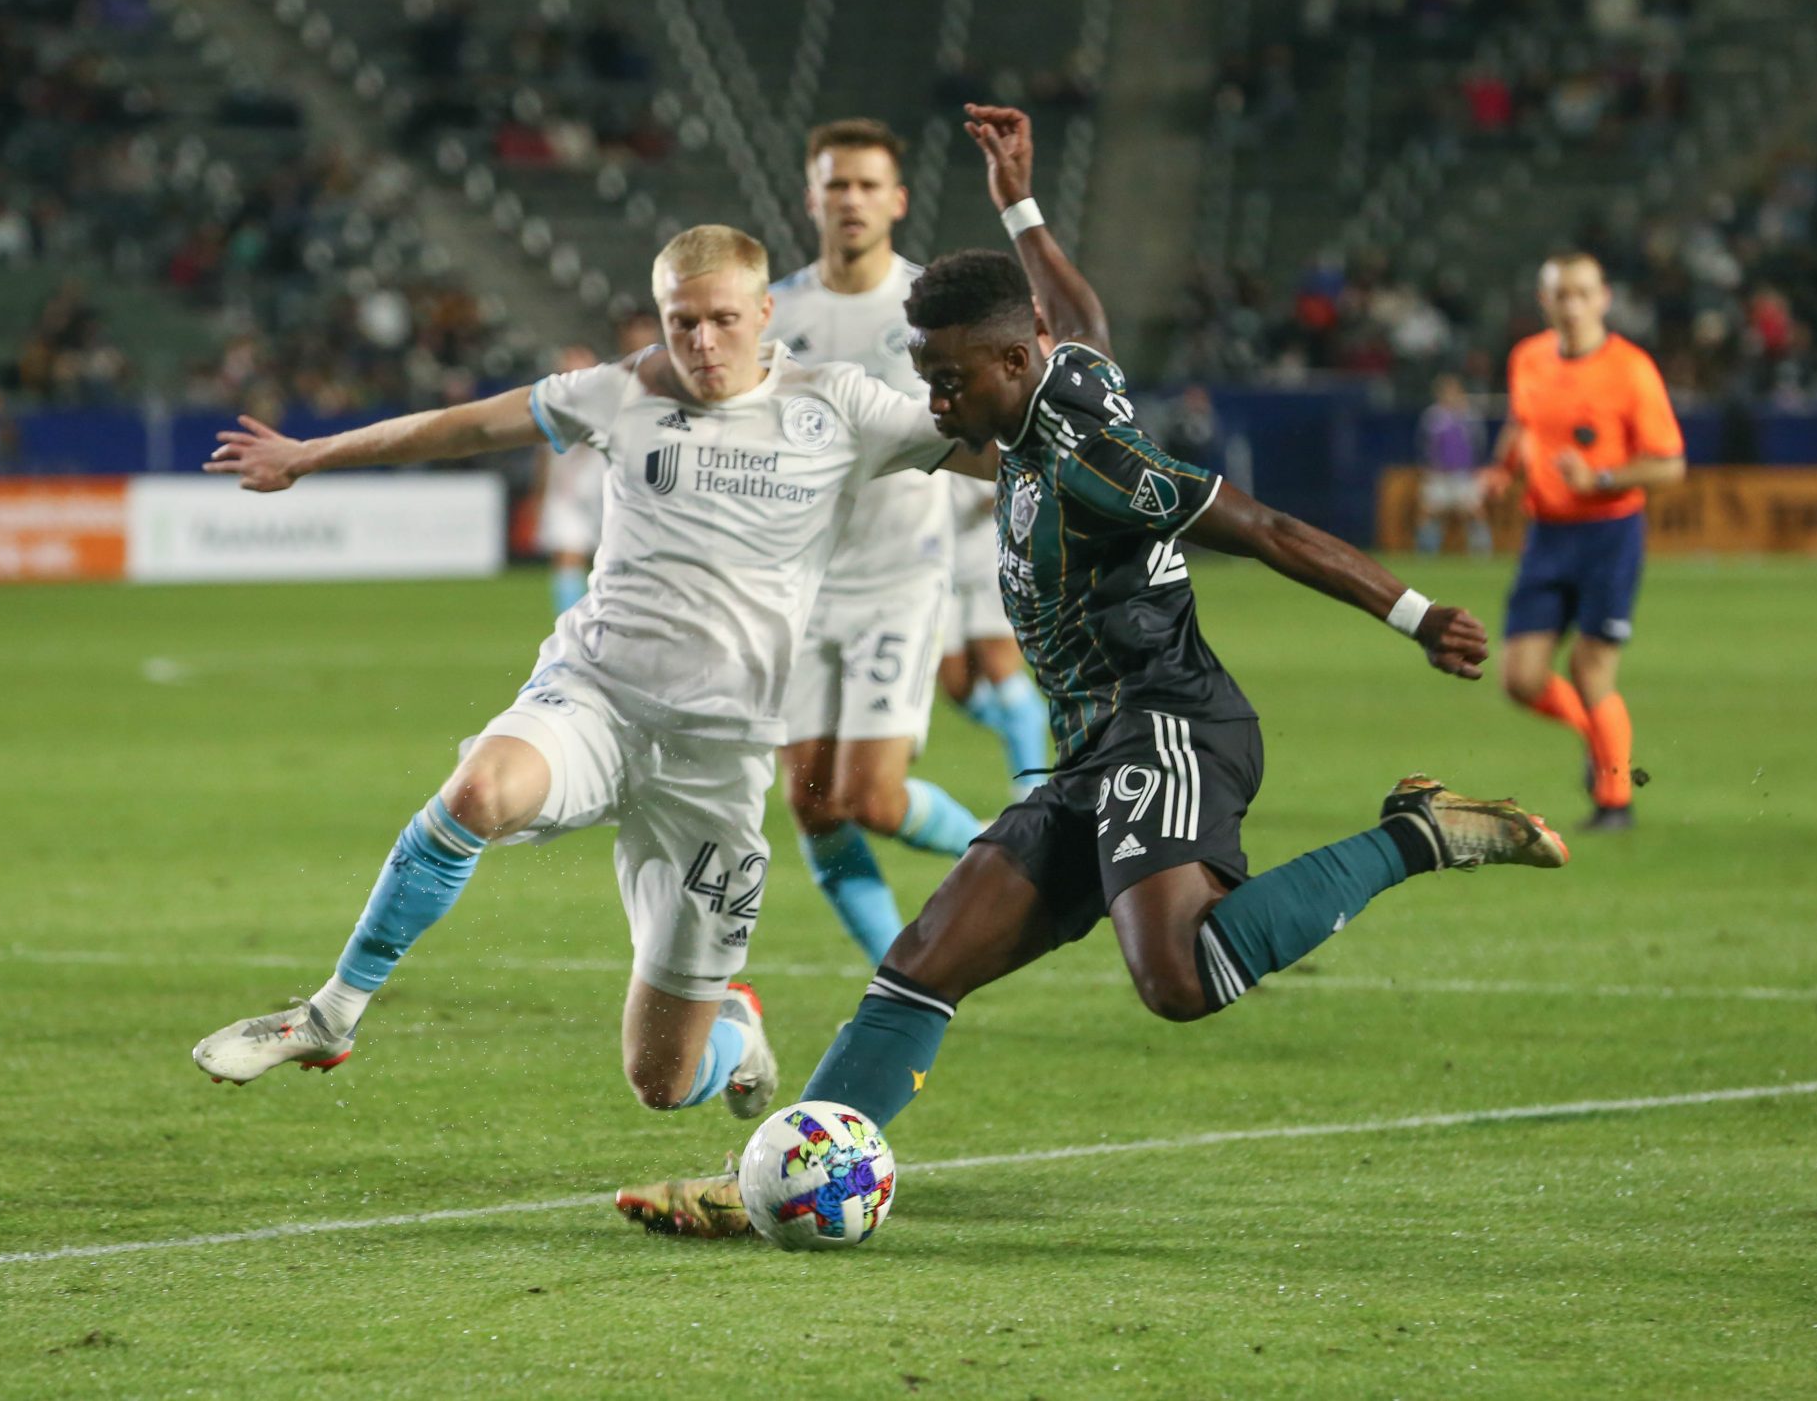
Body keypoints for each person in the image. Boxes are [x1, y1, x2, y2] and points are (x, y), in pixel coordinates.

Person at [615, 107, 1565, 1238]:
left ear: (1013, 364)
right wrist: (1019, 203)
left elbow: (1260, 526)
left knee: (1178, 978)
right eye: (927, 376)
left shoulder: (1097, 463)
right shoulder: (1056, 385)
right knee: (924, 960)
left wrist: (1413, 613)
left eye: (951, 378)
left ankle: (1418, 832)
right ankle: (772, 1176)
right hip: (1090, 747)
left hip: (1169, 722)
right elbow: (1080, 318)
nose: (934, 402)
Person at [187, 224, 1000, 1131]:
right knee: (477, 791)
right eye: (679, 320)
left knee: (662, 1079)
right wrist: (310, 455)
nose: (699, 342)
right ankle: (330, 1013)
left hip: (717, 761)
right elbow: (463, 426)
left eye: (721, 320)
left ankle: (735, 1028)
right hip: (595, 698)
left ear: (765, 313)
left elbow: (998, 448)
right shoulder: (619, 391)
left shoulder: (842, 405)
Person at [766, 118, 996, 965]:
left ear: (896, 201)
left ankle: (1020, 862)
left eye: (867, 185)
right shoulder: (774, 312)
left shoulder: (930, 310)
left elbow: (981, 423)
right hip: (796, 586)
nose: (851, 199)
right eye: (836, 184)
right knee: (814, 801)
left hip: (901, 578)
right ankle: (892, 971)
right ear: (812, 197)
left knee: (873, 796)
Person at [1479, 253, 1686, 832]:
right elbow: (1522, 424)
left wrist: (1600, 479)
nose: (1572, 305)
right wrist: (1501, 472)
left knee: (1592, 668)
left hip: (1609, 534)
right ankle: (1598, 743)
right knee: (1521, 678)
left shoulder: (1631, 370)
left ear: (1604, 298)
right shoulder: (1528, 359)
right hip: (1547, 534)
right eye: (1560, 295)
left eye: (1582, 293)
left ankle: (1615, 802)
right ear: (1544, 303)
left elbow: (1669, 465)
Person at [936, 469, 1051, 797]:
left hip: (990, 558)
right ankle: (1025, 720)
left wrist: (1005, 494)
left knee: (999, 670)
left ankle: (1032, 794)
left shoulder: (971, 424)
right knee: (957, 687)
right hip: (938, 566)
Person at [531, 342, 606, 614]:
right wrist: (538, 495)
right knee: (567, 557)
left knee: (609, 563)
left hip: (604, 493)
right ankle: (570, 622)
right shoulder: (548, 405)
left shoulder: (609, 403)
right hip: (566, 494)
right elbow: (542, 457)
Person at [1414, 374, 1490, 556]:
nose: (1449, 395)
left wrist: (1476, 468)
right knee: (1429, 512)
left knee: (1474, 511)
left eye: (1453, 391)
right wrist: (1427, 468)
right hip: (1439, 474)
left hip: (1464, 474)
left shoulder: (1470, 417)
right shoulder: (1432, 417)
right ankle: (1426, 553)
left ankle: (1482, 552)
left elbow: (1479, 443)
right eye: (1445, 392)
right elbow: (1423, 445)